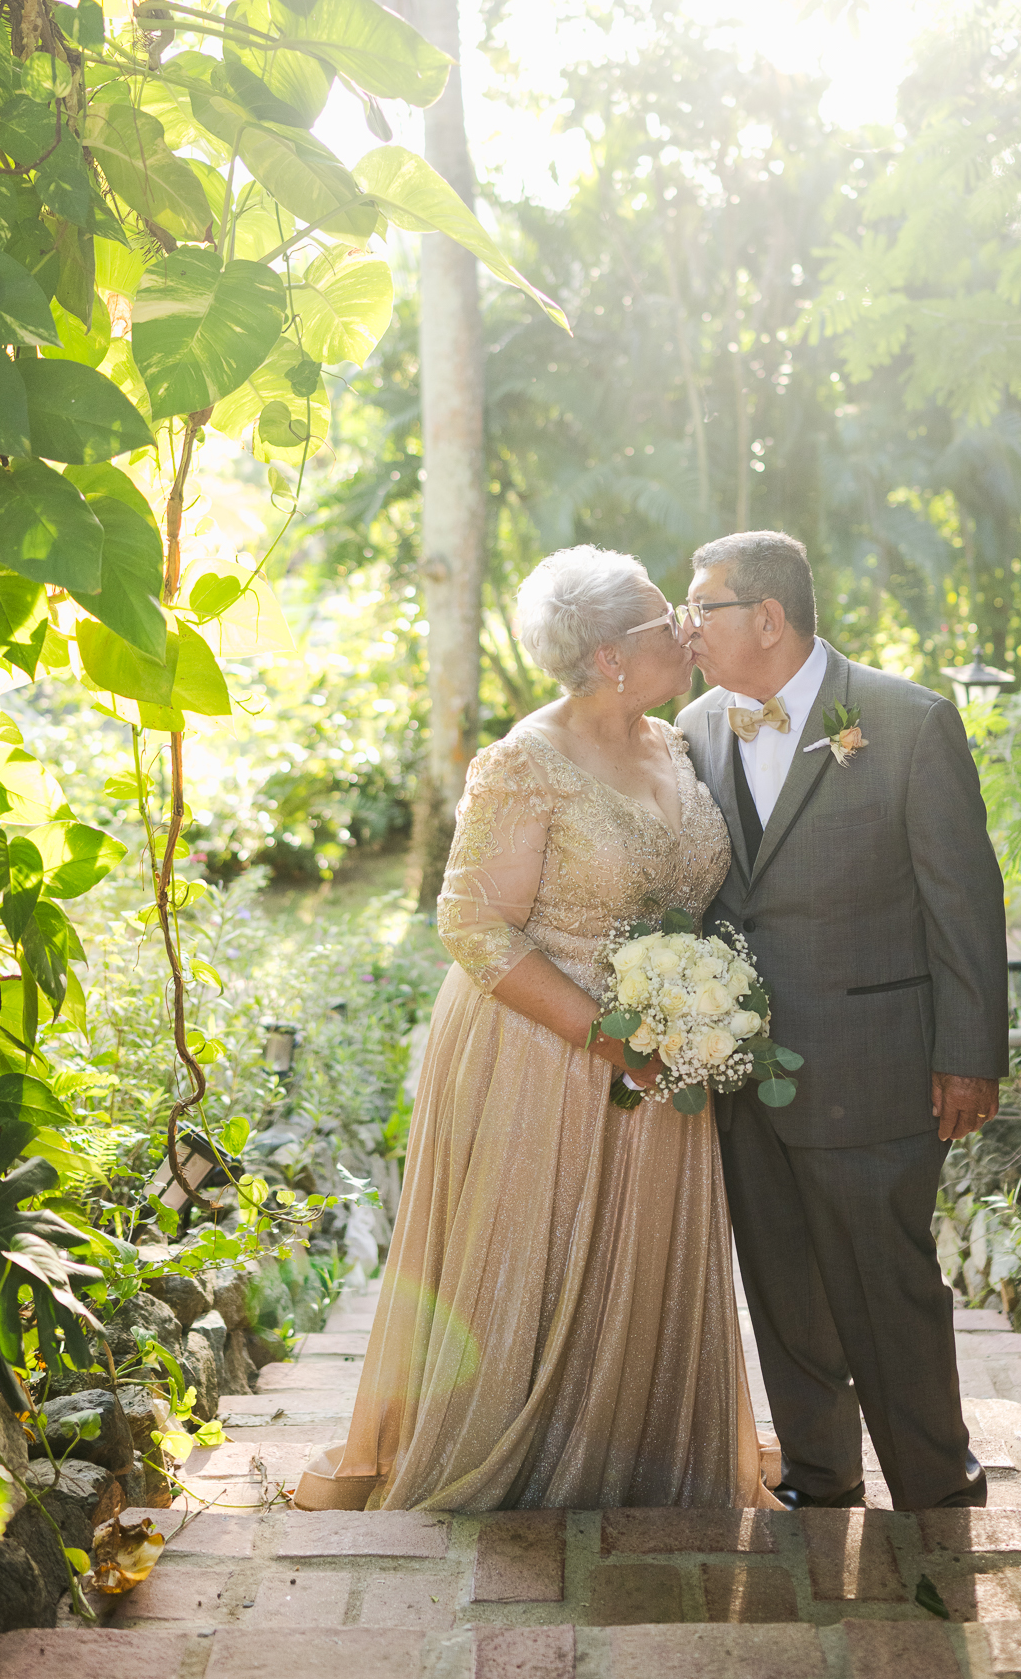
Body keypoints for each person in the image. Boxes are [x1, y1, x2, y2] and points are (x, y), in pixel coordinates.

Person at [296, 545, 771, 1513]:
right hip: (544, 1050)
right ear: (607, 656)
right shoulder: (526, 762)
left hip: (664, 1061)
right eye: (659, 621)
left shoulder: (677, 741)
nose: (683, 628)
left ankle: (639, 1454)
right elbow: (469, 921)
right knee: (537, 1264)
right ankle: (519, 1455)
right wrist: (612, 1038)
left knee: (632, 1279)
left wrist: (695, 1010)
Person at [675, 530, 1008, 1513]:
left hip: (875, 1069)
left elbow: (963, 900)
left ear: (767, 617)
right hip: (745, 1075)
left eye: (706, 607)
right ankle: (822, 1479)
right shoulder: (693, 726)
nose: (687, 626)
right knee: (780, 1287)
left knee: (889, 1285)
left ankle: (934, 1485)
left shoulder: (909, 722)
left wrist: (967, 1053)